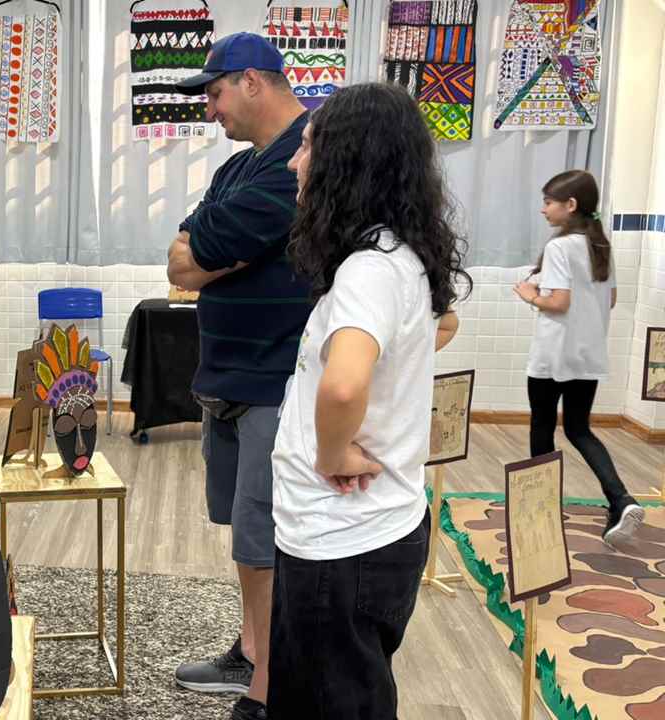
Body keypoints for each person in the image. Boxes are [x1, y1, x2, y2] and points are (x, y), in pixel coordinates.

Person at [267, 82, 469, 719]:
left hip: (343, 541)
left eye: (306, 147)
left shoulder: (369, 269)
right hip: (360, 537)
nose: (296, 162)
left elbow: (345, 383)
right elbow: (442, 326)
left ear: (346, 162)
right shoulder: (396, 258)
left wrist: (333, 451)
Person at [165, 32, 311, 720]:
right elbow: (180, 259)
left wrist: (208, 253)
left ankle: (271, 684)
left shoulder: (304, 162)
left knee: (266, 536)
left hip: (274, 382)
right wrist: (215, 253)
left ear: (253, 81)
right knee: (243, 536)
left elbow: (200, 253)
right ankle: (252, 649)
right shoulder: (237, 169)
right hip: (225, 378)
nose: (210, 110)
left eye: (216, 93)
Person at [512, 170, 644, 546]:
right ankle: (620, 499)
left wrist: (527, 293)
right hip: (588, 356)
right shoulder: (601, 245)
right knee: (579, 429)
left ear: (570, 205)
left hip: (552, 357)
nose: (543, 210)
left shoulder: (560, 247)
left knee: (542, 428)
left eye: (548, 202)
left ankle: (541, 509)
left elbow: (558, 301)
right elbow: (611, 299)